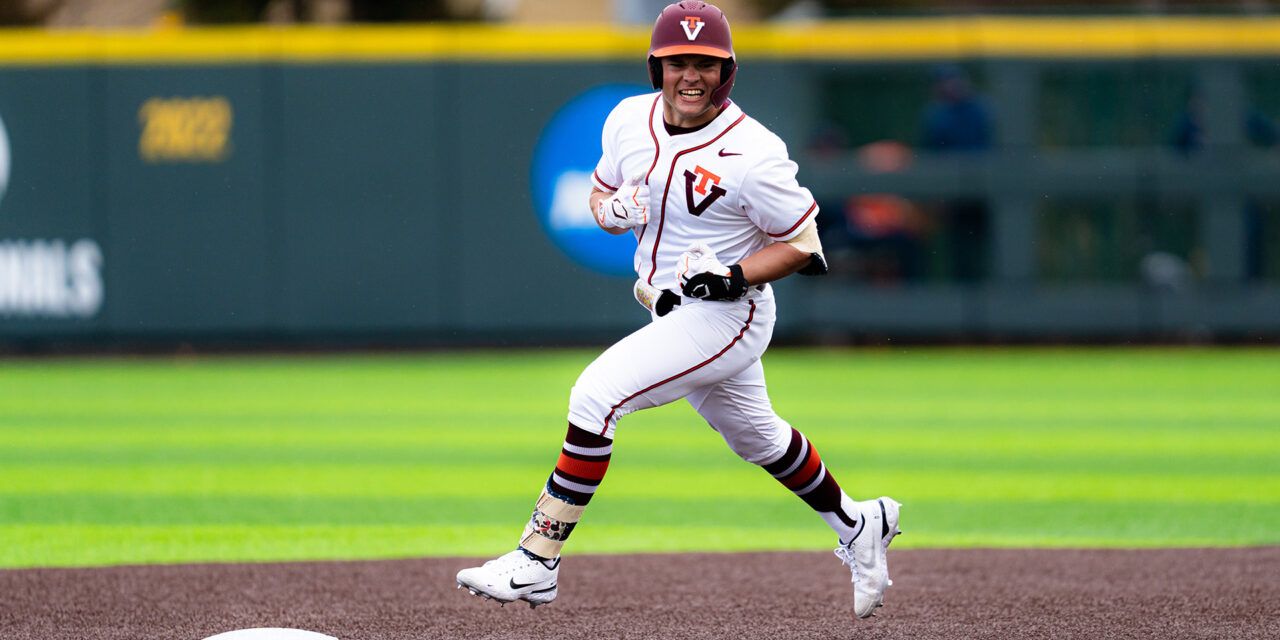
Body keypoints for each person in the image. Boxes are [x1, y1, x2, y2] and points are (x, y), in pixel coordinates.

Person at [455, 1, 901, 619]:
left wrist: (732, 276)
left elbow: (804, 243)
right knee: (757, 437)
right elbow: (602, 193)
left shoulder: (753, 151)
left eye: (705, 64)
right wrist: (611, 211)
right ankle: (859, 522)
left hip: (729, 315)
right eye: (677, 62)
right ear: (656, 67)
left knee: (594, 397)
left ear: (727, 72)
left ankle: (538, 560)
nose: (690, 76)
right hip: (671, 310)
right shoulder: (627, 119)